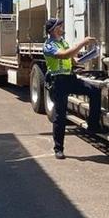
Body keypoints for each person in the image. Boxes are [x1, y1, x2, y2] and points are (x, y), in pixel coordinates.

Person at [43, 18, 102, 159]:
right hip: (58, 82)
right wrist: (83, 42)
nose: (62, 27)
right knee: (60, 116)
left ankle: (92, 126)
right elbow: (64, 55)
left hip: (70, 78)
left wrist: (87, 58)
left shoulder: (63, 42)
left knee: (94, 91)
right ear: (53, 30)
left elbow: (72, 60)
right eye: (60, 26)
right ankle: (58, 149)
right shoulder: (48, 45)